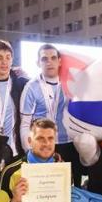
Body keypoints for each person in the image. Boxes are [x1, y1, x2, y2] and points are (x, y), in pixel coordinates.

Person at [20, 44, 83, 186]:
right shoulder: (31, 87)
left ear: (60, 61)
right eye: (44, 59)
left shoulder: (72, 83)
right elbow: (25, 123)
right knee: (45, 188)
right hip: (44, 145)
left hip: (70, 144)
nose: (49, 62)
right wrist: (29, 152)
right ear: (38, 63)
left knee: (73, 190)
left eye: (53, 58)